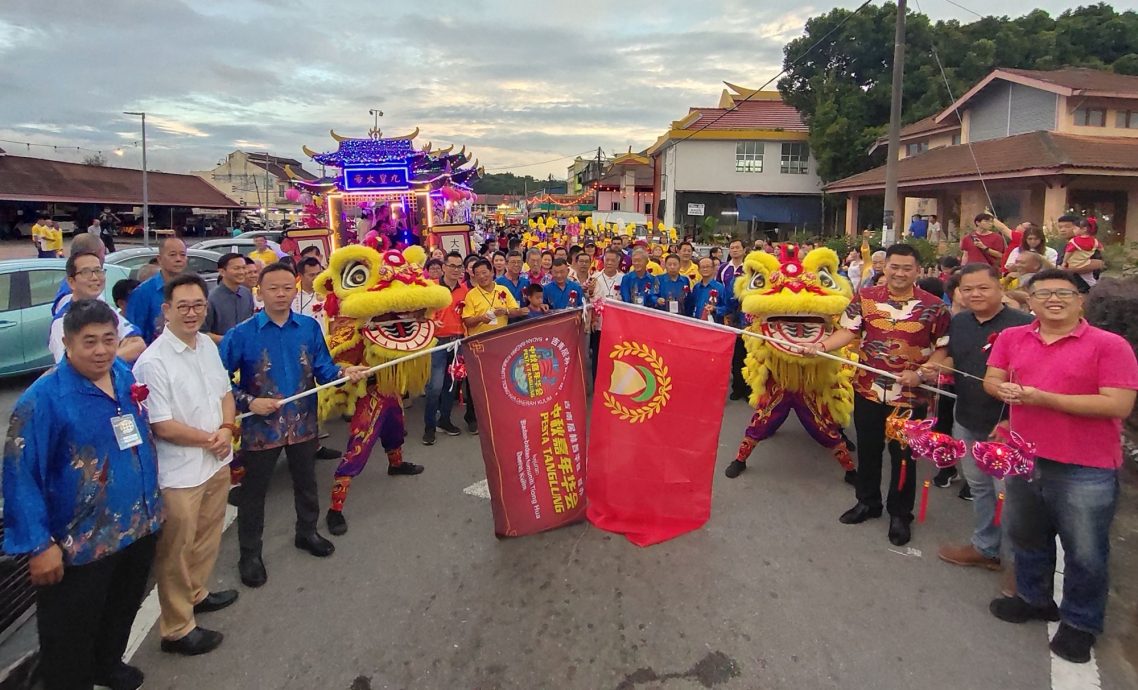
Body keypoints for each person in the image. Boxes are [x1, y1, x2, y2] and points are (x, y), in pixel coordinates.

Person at [3, 299, 162, 690]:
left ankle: (107, 665)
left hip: (136, 526)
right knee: (68, 637)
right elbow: (20, 475)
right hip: (79, 545)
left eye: (109, 339)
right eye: (89, 342)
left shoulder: (122, 375)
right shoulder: (43, 400)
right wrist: (40, 546)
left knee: (121, 609)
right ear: (68, 343)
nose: (101, 350)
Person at [984, 269, 1138, 664]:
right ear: (1029, 300)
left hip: (1085, 465)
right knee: (1027, 535)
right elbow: (992, 378)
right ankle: (1034, 599)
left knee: (1085, 551)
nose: (1053, 299)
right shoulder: (1012, 337)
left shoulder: (1110, 345)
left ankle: (1081, 624)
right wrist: (999, 388)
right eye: (1043, 292)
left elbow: (1117, 404)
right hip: (1024, 457)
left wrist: (1043, 398)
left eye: (1064, 292)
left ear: (1081, 299)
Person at [219, 263, 368, 588]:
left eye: (288, 287)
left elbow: (323, 369)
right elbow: (218, 382)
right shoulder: (241, 334)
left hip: (302, 423)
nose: (282, 294)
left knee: (306, 482)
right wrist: (248, 402)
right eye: (274, 288)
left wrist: (344, 372)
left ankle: (307, 532)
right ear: (259, 291)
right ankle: (250, 554)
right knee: (254, 494)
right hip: (261, 428)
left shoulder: (308, 328)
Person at [803, 244, 950, 546]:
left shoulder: (934, 306)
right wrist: (821, 347)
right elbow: (848, 332)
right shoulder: (866, 298)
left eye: (907, 268)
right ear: (885, 267)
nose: (899, 273)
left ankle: (900, 513)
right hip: (868, 389)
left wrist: (922, 373)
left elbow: (944, 350)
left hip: (910, 396)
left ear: (917, 270)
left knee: (904, 456)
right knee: (869, 449)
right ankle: (867, 502)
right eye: (894, 266)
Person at [132, 274, 238, 656]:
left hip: (215, 461)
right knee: (175, 550)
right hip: (178, 473)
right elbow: (161, 424)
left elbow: (225, 392)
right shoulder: (152, 363)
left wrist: (226, 428)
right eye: (183, 306)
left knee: (208, 536)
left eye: (198, 306)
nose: (192, 313)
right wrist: (211, 438)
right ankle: (176, 628)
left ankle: (196, 593)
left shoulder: (206, 347)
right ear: (166, 310)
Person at [931, 264, 1033, 588]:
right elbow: (952, 361)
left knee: (1014, 497)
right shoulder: (959, 322)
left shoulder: (1025, 324)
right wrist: (927, 369)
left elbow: (1035, 375)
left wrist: (1010, 420)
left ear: (1000, 287)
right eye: (967, 289)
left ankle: (1023, 567)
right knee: (979, 487)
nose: (975, 294)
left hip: (1009, 425)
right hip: (967, 417)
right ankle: (986, 548)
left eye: (983, 288)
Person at [462, 259, 527, 434]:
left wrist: (505, 311)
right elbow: (467, 320)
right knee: (475, 383)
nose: (482, 276)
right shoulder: (471, 295)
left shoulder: (503, 290)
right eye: (478, 274)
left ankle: (499, 416)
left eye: (485, 272)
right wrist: (482, 318)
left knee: (500, 381)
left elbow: (517, 311)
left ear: (492, 272)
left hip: (500, 343)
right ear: (473, 277)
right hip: (478, 345)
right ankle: (472, 418)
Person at [49, 251, 145, 364]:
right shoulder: (61, 322)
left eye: (98, 271)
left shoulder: (106, 309)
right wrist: (119, 352)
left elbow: (139, 345)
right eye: (86, 272)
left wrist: (102, 361)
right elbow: (70, 367)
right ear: (71, 282)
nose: (95, 277)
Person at [422, 252, 467, 446]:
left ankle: (445, 420)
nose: (456, 270)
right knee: (435, 387)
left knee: (451, 384)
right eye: (452, 265)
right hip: (437, 342)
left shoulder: (464, 290)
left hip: (457, 342)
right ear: (444, 267)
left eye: (459, 266)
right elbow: (420, 312)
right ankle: (429, 427)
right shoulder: (431, 288)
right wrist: (431, 322)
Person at [127, 237, 187, 344]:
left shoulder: (190, 288)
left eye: (183, 255)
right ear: (159, 259)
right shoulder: (143, 293)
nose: (179, 259)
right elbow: (134, 335)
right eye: (172, 255)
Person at [204, 252, 255, 344]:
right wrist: (229, 340)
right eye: (237, 268)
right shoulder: (211, 299)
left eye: (244, 268)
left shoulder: (246, 293)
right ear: (222, 272)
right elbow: (202, 333)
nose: (242, 272)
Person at [589, 249, 623, 380]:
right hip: (599, 324)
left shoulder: (623, 278)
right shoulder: (595, 277)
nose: (609, 263)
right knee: (597, 356)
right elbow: (590, 299)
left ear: (618, 262)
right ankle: (596, 382)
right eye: (606, 260)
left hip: (617, 326)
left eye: (612, 260)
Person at [1061, 217, 1103, 292]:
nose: (1062, 230)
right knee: (1092, 282)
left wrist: (1066, 264)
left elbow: (1099, 263)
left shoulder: (1074, 242)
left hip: (1081, 287)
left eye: (1068, 227)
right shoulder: (1094, 241)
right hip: (1072, 285)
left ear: (1084, 229)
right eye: (1060, 227)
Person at [687, 257, 727, 322]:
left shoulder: (720, 288)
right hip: (697, 323)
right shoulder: (696, 287)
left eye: (708, 266)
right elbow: (691, 306)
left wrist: (715, 309)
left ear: (713, 269)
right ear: (699, 270)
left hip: (714, 324)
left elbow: (726, 308)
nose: (705, 269)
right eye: (702, 267)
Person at [291, 256, 324, 321]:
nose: (316, 278)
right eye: (311, 275)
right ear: (300, 275)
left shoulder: (327, 291)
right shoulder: (292, 294)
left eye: (318, 274)